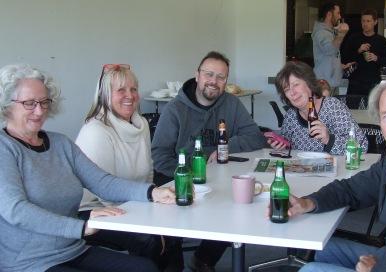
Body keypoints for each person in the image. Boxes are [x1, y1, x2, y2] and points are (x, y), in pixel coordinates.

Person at [0, 64, 176, 272]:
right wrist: (80, 227)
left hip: (72, 249)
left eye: (44, 102)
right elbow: (16, 211)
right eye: (29, 103)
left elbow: (102, 182)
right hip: (29, 262)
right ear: (7, 105)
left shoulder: (60, 144)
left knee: (145, 268)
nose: (39, 111)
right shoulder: (6, 148)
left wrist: (152, 192)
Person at [279, 75, 386, 271]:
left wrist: (381, 267)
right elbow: (353, 188)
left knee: (311, 270)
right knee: (324, 250)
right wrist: (308, 202)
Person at [151, 51, 266, 271]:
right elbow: (159, 156)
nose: (213, 81)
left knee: (238, 206)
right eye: (209, 74)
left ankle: (203, 260)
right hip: (176, 178)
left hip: (217, 178)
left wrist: (225, 146)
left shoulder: (230, 104)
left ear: (225, 82)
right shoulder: (175, 110)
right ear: (197, 75)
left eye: (221, 77)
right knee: (171, 231)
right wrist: (192, 174)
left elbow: (255, 136)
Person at [75, 64, 183, 271]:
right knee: (149, 238)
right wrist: (149, 215)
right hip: (95, 210)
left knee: (174, 226)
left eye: (133, 89)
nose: (130, 95)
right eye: (121, 90)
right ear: (105, 95)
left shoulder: (140, 124)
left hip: (134, 202)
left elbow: (147, 174)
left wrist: (156, 204)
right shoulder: (96, 131)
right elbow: (102, 189)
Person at [269, 61, 367, 155]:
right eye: (286, 89)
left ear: (309, 84)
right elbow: (290, 149)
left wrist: (329, 139)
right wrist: (282, 147)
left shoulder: (333, 107)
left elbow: (362, 146)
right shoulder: (291, 116)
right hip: (301, 170)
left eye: (296, 85)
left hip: (334, 170)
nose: (292, 92)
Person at [341, 9, 386, 96]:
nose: (365, 24)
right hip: (355, 83)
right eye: (363, 21)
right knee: (352, 108)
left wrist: (376, 58)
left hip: (373, 82)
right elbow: (344, 58)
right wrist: (358, 50)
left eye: (368, 21)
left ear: (375, 22)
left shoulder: (381, 40)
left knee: (372, 109)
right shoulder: (353, 38)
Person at [312, 2, 349, 92]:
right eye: (338, 13)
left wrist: (339, 66)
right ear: (329, 14)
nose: (339, 17)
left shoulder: (329, 32)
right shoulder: (321, 32)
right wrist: (341, 34)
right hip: (324, 85)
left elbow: (328, 56)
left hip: (331, 83)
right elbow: (330, 50)